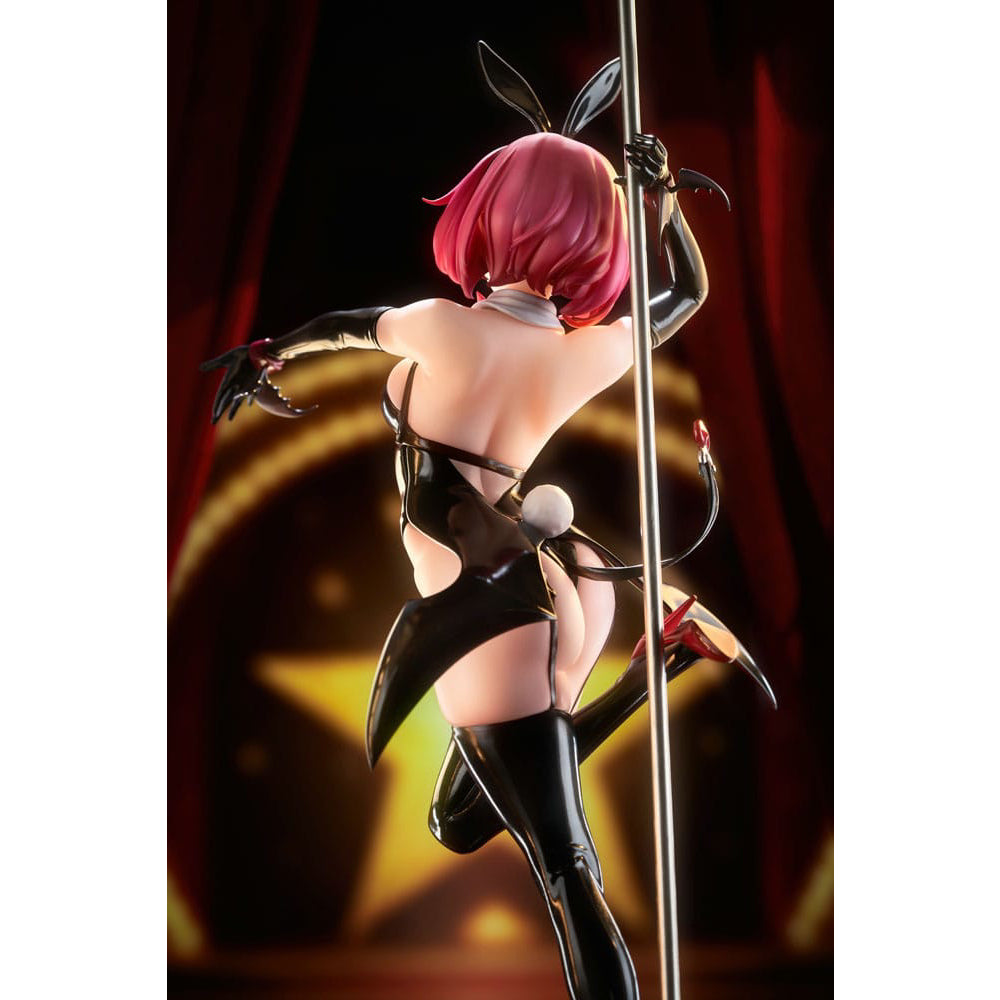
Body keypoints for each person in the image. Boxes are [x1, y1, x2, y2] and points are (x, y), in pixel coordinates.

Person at [202, 45, 772, 1000]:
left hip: (488, 602)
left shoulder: (440, 326)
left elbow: (347, 325)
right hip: (562, 579)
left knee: (568, 875)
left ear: (492, 211)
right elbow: (686, 294)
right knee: (460, 820)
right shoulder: (586, 355)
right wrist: (662, 206)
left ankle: (661, 667)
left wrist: (269, 353)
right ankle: (660, 661)